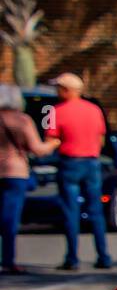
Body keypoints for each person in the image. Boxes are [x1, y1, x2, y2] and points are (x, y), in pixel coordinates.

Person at [46, 72, 111, 270]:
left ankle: (72, 258)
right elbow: (101, 138)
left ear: (66, 90)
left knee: (70, 211)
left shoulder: (55, 111)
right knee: (96, 211)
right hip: (92, 162)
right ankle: (103, 255)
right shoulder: (94, 110)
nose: (57, 92)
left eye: (58, 88)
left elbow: (51, 139)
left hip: (70, 162)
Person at [0, 84, 60, 274]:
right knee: (10, 218)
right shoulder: (22, 120)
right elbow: (37, 149)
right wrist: (53, 143)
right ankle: (8, 259)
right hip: (14, 172)